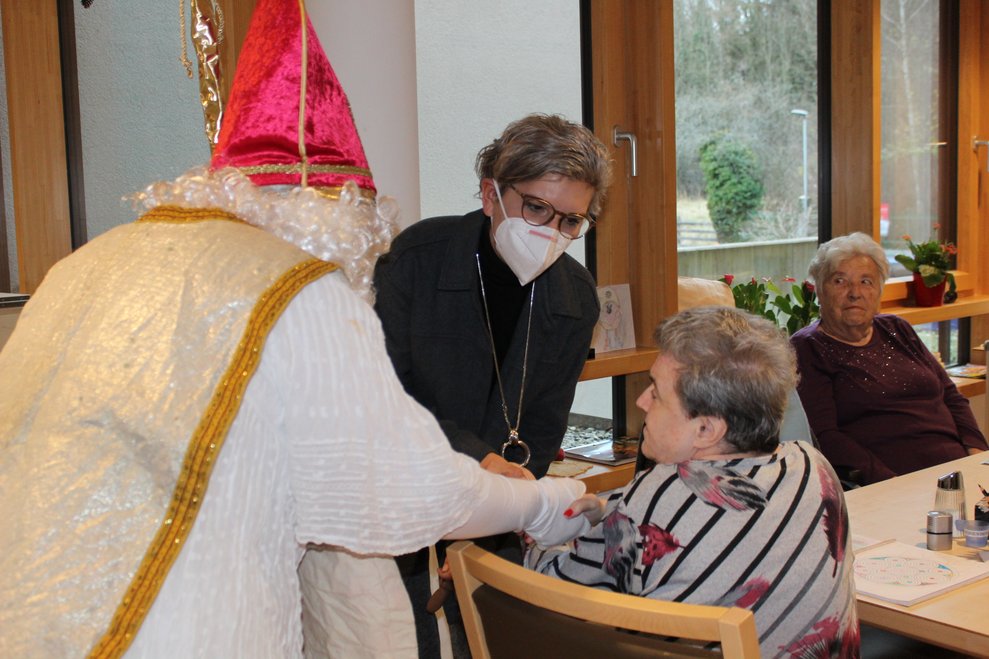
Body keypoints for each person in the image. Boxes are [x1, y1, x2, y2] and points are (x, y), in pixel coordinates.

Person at [0, 1, 593, 657]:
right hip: (175, 614)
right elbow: (399, 481)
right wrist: (536, 506)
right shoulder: (300, 288)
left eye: (570, 221)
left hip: (28, 595)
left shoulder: (85, 265)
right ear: (334, 211)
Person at [372, 113, 611, 656]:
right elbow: (387, 393)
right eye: (536, 208)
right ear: (490, 194)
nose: (551, 232)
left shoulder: (574, 295)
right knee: (406, 637)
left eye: (571, 221)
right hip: (402, 485)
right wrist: (476, 462)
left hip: (501, 501)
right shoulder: (416, 260)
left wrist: (502, 510)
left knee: (491, 633)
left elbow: (545, 427)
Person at [527, 306, 861, 658]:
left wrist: (527, 525)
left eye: (655, 392)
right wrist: (607, 512)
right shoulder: (811, 467)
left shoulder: (655, 496)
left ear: (707, 429)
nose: (641, 401)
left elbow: (551, 590)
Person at [790, 232, 987, 485]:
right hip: (894, 481)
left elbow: (950, 395)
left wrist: (977, 453)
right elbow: (826, 436)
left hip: (958, 469)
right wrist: (889, 482)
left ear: (879, 290)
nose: (854, 293)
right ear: (819, 289)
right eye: (840, 281)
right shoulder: (808, 347)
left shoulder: (897, 328)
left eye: (866, 281)